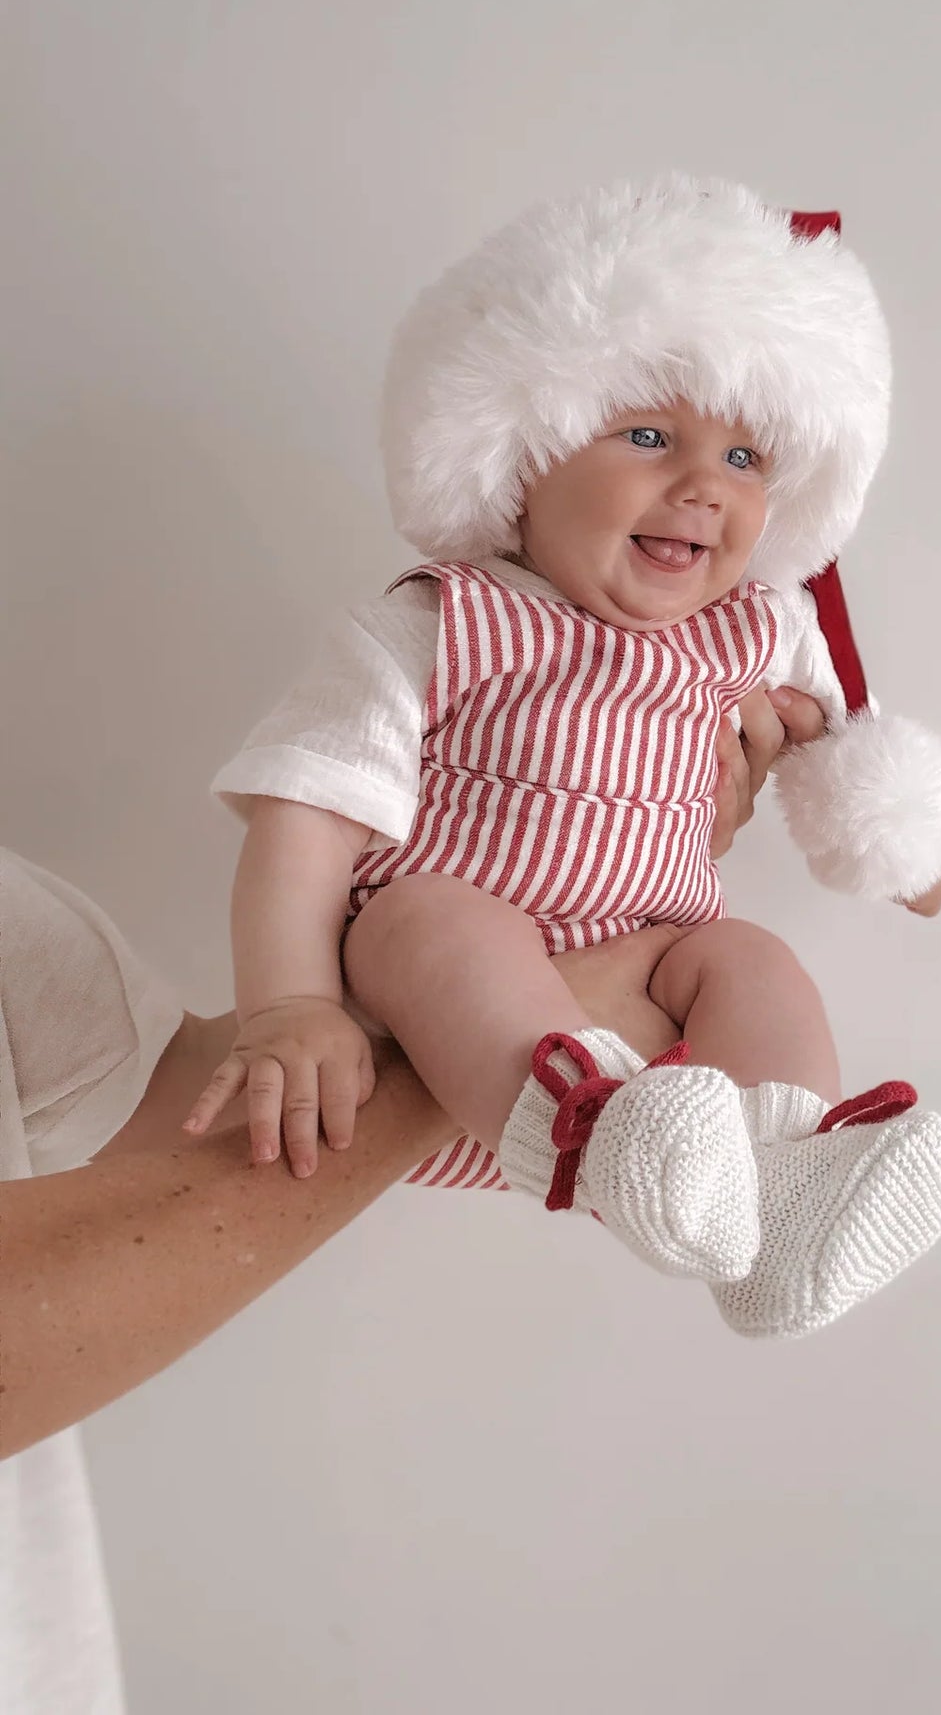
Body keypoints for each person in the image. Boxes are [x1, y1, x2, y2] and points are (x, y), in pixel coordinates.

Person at [191, 177, 941, 1340]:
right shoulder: (441, 619)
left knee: (745, 957)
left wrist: (903, 843)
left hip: (651, 990)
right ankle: (598, 1132)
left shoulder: (755, 628)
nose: (706, 484)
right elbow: (306, 818)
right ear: (521, 453)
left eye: (748, 455)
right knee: (423, 917)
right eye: (649, 435)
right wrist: (291, 1007)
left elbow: (840, 742)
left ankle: (775, 1201)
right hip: (439, 1020)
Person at [0, 690, 809, 1712]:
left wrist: (608, 825)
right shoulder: (441, 628)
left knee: (755, 975)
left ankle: (795, 1203)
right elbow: (307, 792)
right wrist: (486, 1025)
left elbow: (159, 1116)